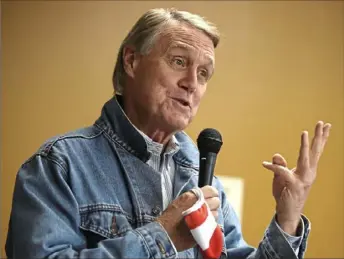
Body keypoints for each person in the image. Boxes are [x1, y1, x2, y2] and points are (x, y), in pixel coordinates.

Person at [5, 8, 331, 259]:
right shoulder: (60, 165)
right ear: (132, 61)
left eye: (204, 74)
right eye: (178, 61)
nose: (192, 82)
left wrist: (288, 220)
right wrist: (162, 237)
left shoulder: (203, 179)